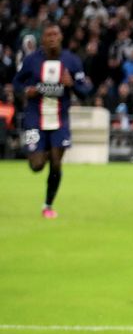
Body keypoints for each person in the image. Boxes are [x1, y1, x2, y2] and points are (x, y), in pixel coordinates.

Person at [12, 24, 91, 218]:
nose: (53, 38)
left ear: (62, 37)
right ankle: (40, 151)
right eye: (49, 35)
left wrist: (72, 85)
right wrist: (25, 91)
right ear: (43, 39)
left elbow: (86, 90)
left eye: (56, 34)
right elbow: (16, 82)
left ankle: (47, 205)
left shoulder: (71, 61)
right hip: (34, 119)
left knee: (56, 164)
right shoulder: (31, 61)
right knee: (37, 165)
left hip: (60, 120)